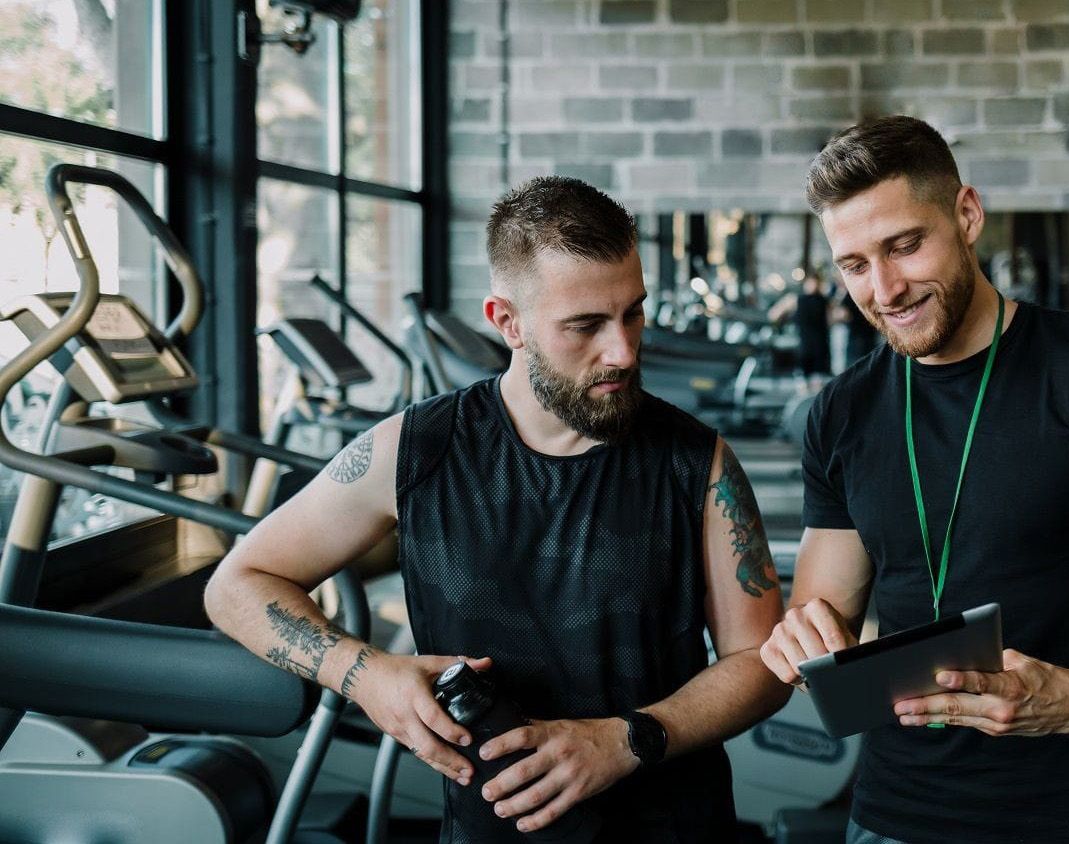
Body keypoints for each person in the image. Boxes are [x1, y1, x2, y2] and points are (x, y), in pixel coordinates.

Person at [206, 176, 790, 842]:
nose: (623, 351)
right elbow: (237, 585)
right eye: (586, 326)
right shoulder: (416, 450)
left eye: (633, 312)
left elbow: (760, 661)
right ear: (507, 322)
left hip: (673, 826)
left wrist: (627, 740)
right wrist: (365, 675)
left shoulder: (697, 462)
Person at [758, 115, 1069, 843]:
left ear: (967, 215)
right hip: (893, 818)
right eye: (855, 263)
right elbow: (823, 612)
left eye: (905, 245)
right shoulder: (840, 413)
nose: (886, 288)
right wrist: (802, 635)